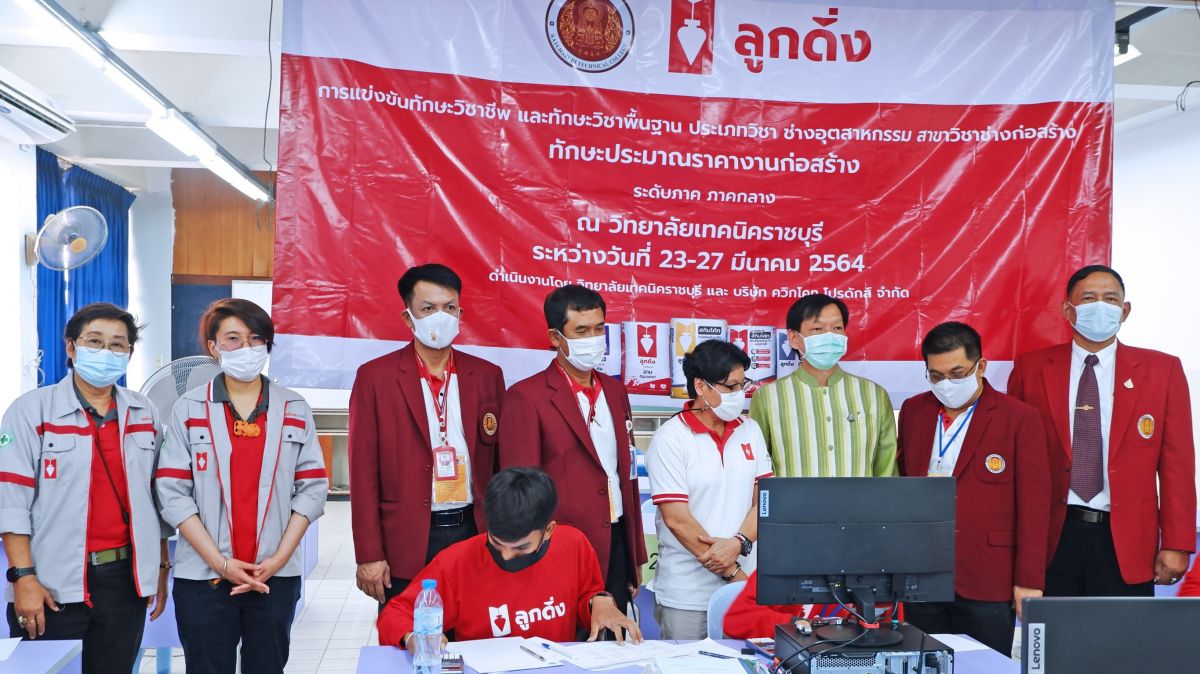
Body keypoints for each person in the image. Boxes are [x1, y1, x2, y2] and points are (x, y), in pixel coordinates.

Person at [156, 299, 328, 673]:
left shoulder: (294, 407)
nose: (246, 348)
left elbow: (313, 488)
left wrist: (278, 560)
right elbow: (172, 492)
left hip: (274, 579)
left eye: (255, 338)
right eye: (233, 339)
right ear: (214, 347)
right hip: (204, 579)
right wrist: (220, 563)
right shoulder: (189, 408)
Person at [0, 303, 170, 673]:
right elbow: (11, 501)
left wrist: (159, 566)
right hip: (50, 582)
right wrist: (23, 578)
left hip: (124, 582)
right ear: (71, 346)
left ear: (128, 353)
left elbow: (155, 500)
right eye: (94, 341)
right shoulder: (31, 411)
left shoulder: (144, 413)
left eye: (117, 345)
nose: (106, 352)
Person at [1008, 264, 1196, 596]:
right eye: (1088, 298)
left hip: (1126, 540)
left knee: (1122, 631)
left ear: (1125, 310)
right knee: (1056, 630)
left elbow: (1177, 465)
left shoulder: (1162, 370)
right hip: (1053, 536)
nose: (1100, 306)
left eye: (1110, 299)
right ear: (1067, 310)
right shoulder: (1031, 368)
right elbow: (1017, 461)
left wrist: (1177, 543)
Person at [350, 264, 505, 607]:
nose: (441, 317)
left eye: (449, 307)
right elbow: (363, 473)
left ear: (460, 313)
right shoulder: (376, 378)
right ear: (408, 318)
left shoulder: (487, 376)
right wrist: (369, 553)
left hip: (475, 531)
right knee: (410, 631)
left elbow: (500, 464)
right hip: (406, 538)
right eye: (428, 308)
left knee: (473, 630)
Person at [897, 322, 1050, 655]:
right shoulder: (913, 410)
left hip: (988, 577)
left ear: (981, 366)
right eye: (936, 376)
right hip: (922, 577)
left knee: (986, 665)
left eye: (957, 373)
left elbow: (1035, 508)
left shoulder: (1019, 418)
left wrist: (1029, 581)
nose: (946, 384)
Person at [500, 285, 646, 615]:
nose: (593, 339)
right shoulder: (527, 397)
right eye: (581, 331)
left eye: (599, 328)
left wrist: (635, 553)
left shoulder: (615, 391)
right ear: (556, 337)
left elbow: (627, 474)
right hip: (558, 549)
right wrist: (531, 559)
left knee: (612, 640)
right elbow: (522, 493)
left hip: (617, 542)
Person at [377, 467, 642, 645]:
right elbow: (395, 615)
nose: (505, 555)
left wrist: (600, 601)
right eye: (496, 543)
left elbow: (587, 603)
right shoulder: (455, 561)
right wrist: (413, 638)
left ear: (549, 530)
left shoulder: (574, 545)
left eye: (521, 548)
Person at [647, 340, 773, 639]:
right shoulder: (670, 438)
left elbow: (765, 500)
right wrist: (731, 570)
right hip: (688, 594)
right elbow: (677, 520)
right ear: (701, 386)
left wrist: (740, 542)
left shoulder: (750, 430)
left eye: (743, 385)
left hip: (744, 588)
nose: (740, 394)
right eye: (731, 387)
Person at [749, 294, 897, 477]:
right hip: (793, 497)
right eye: (817, 329)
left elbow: (887, 469)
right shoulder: (768, 397)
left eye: (837, 328)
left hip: (861, 497)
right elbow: (757, 467)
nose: (829, 336)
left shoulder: (873, 394)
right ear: (794, 338)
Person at [723, 570, 901, 639]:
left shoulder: (877, 580)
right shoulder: (781, 567)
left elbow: (889, 636)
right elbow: (735, 620)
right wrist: (796, 625)